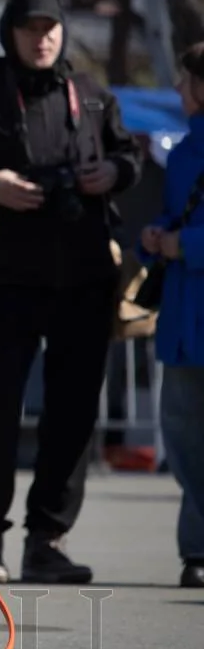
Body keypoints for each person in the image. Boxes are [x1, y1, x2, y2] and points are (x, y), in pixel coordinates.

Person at [0, 0, 141, 584]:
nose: (43, 37)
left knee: (73, 415)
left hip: (85, 278)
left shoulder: (94, 98)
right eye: (30, 28)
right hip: (13, 279)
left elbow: (132, 157)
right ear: (10, 33)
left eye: (51, 27)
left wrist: (115, 172)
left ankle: (47, 539)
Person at [140, 43, 204, 588]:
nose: (179, 91)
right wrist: (154, 238)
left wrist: (183, 245)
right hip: (182, 319)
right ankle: (196, 551)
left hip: (191, 305)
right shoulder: (183, 153)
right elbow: (169, 215)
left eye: (186, 81)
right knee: (182, 436)